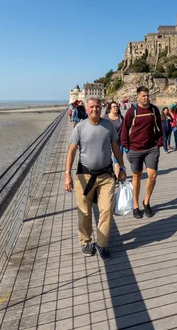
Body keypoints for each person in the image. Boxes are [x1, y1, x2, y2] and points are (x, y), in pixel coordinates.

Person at [64, 96, 126, 261]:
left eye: (97, 107)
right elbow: (71, 151)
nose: (94, 109)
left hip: (106, 176)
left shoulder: (108, 126)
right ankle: (85, 241)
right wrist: (67, 174)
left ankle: (102, 244)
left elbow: (115, 147)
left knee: (106, 210)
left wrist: (122, 167)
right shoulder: (80, 127)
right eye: (91, 107)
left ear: (101, 108)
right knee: (84, 212)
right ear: (87, 108)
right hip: (84, 176)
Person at [121, 86, 163, 219]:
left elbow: (159, 127)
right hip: (135, 149)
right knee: (136, 177)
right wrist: (126, 147)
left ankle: (146, 202)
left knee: (152, 176)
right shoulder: (131, 111)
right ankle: (135, 206)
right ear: (138, 96)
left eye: (147, 95)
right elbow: (124, 129)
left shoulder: (154, 109)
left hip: (151, 148)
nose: (146, 98)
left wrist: (159, 143)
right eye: (143, 96)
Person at [103, 100, 124, 179]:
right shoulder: (105, 118)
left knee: (118, 161)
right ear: (110, 109)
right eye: (113, 107)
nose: (116, 108)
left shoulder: (121, 118)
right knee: (106, 160)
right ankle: (107, 175)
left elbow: (125, 129)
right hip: (107, 143)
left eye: (116, 106)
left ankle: (116, 177)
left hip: (118, 142)